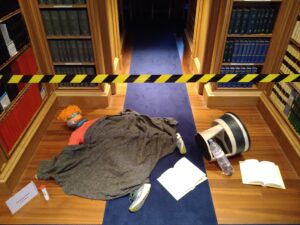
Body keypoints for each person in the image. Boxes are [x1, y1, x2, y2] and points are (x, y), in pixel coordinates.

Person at [51, 105, 187, 212]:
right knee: (134, 137)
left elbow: (70, 152)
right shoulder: (97, 119)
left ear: (69, 123)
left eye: (71, 118)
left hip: (103, 136)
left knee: (113, 157)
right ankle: (170, 137)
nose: (73, 119)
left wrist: (58, 166)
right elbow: (113, 120)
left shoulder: (76, 133)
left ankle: (138, 184)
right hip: (112, 128)